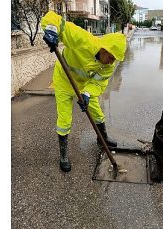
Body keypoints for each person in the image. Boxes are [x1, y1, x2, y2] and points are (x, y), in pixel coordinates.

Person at [41, 11, 127, 172]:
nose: (112, 62)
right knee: (65, 119)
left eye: (115, 59)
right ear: (104, 49)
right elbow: (56, 19)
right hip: (64, 81)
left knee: (97, 112)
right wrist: (51, 30)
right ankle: (63, 155)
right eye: (111, 57)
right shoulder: (83, 40)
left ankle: (103, 139)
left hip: (84, 85)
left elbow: (99, 83)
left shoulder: (108, 66)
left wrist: (87, 94)